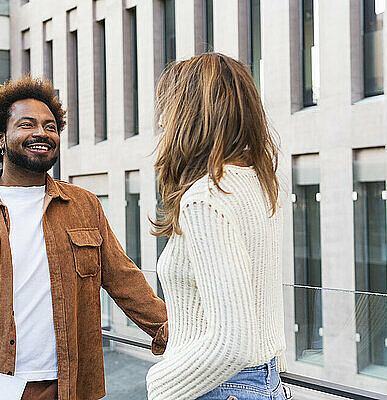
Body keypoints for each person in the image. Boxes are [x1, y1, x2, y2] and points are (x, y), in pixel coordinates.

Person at [0, 77, 168, 400]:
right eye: (27, 125)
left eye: (50, 126)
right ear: (0, 138)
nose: (41, 134)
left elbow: (125, 280)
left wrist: (177, 334)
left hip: (67, 386)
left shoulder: (84, 206)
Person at [145, 53, 288, 400]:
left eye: (168, 107)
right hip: (263, 382)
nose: (162, 121)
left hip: (219, 386)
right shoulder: (258, 182)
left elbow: (234, 342)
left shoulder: (205, 198)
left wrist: (159, 386)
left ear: (190, 114)